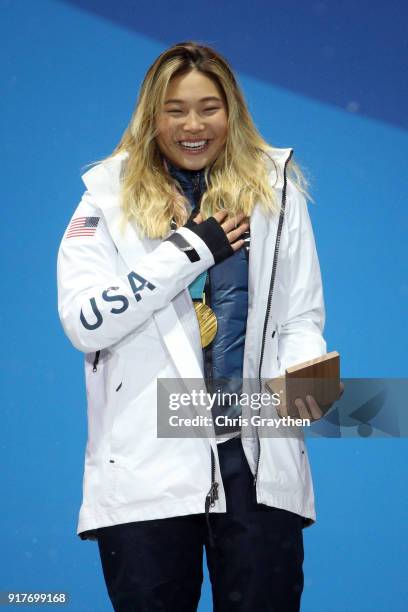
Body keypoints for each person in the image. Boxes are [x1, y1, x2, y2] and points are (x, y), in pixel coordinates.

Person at [57, 41, 332, 612]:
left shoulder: (277, 192)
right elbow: (86, 322)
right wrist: (188, 252)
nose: (193, 125)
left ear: (232, 112)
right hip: (148, 469)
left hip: (254, 463)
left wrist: (308, 381)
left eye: (209, 107)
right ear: (151, 116)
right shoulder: (105, 199)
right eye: (175, 110)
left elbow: (301, 315)